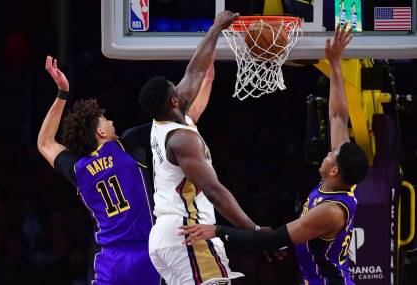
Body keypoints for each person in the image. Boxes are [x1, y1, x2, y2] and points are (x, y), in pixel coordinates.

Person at [179, 24, 370, 285]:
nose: (327, 153)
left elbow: (273, 239)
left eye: (331, 156)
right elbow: (337, 116)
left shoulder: (331, 212)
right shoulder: (341, 179)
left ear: (335, 170)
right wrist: (335, 63)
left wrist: (216, 230)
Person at [37, 55, 214, 285]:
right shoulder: (127, 145)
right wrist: (207, 77)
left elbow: (45, 143)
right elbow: (185, 117)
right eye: (106, 120)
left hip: (109, 259)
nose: (111, 122)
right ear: (100, 133)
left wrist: (62, 92)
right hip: (147, 254)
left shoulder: (78, 168)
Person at [138, 10, 261, 285]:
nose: (182, 89)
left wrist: (215, 30)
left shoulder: (165, 121)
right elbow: (216, 192)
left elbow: (194, 71)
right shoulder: (182, 140)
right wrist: (254, 232)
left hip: (169, 234)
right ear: (173, 102)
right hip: (188, 231)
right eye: (176, 90)